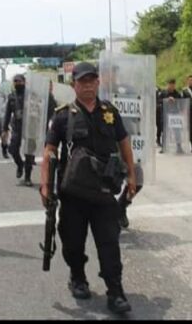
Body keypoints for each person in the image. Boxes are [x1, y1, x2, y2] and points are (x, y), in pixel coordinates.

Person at [41, 62, 137, 314]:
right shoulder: (63, 115)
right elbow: (50, 151)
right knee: (72, 242)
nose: (88, 86)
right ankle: (77, 276)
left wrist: (132, 175)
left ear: (98, 83)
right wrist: (45, 186)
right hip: (73, 194)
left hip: (104, 192)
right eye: (82, 81)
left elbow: (124, 142)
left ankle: (115, 291)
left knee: (109, 242)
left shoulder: (110, 112)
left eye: (92, 81)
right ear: (74, 85)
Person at [3, 74, 35, 186]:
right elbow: (7, 113)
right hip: (17, 127)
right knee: (12, 149)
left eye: (19, 81)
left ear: (24, 82)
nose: (17, 83)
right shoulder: (11, 96)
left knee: (29, 153)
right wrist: (4, 129)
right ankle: (20, 164)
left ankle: (27, 177)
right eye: (15, 81)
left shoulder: (32, 95)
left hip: (31, 127)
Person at [156, 79, 182, 154]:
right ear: (167, 84)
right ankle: (164, 147)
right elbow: (158, 101)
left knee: (177, 131)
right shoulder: (163, 93)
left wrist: (176, 101)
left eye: (173, 85)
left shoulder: (177, 93)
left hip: (175, 115)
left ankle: (179, 147)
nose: (171, 86)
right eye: (170, 84)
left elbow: (181, 102)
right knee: (164, 131)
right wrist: (167, 100)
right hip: (165, 114)